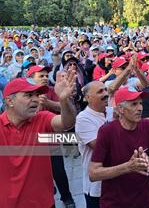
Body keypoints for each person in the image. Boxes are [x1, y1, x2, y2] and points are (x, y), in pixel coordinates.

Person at [0, 71, 77, 208]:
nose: (35, 99)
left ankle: (67, 197)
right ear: (10, 101)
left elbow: (67, 123)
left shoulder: (42, 118)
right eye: (29, 95)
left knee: (59, 168)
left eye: (37, 95)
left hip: (44, 203)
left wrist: (64, 100)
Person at [89, 87, 149, 208]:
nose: (140, 108)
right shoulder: (107, 131)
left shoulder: (147, 125)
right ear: (120, 109)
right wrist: (128, 167)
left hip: (145, 201)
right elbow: (93, 174)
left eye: (140, 103)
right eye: (134, 104)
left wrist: (146, 161)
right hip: (115, 203)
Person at [27, 65, 76, 207]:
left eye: (46, 76)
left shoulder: (52, 90)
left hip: (51, 137)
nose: (45, 78)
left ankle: (67, 197)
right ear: (30, 79)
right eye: (40, 76)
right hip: (31, 140)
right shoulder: (25, 95)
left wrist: (49, 103)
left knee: (58, 169)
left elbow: (64, 108)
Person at [76, 81, 109, 208]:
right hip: (97, 187)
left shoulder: (112, 112)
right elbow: (99, 148)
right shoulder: (83, 118)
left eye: (105, 90)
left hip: (116, 182)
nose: (106, 94)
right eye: (100, 91)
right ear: (88, 98)